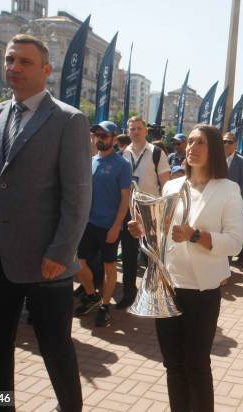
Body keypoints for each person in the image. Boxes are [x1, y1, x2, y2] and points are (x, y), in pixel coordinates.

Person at [0, 34, 91, 411]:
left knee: (54, 346)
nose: (14, 67)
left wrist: (62, 251)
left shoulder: (69, 120)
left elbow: (77, 196)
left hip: (48, 263)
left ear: (46, 70)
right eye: (10, 60)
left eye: (25, 62)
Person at [129, 124, 243, 411]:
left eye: (200, 143)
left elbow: (234, 243)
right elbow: (161, 233)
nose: (191, 147)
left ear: (214, 148)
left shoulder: (229, 189)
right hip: (168, 285)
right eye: (190, 142)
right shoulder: (171, 186)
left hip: (202, 290)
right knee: (172, 363)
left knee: (196, 364)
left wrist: (195, 235)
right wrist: (143, 228)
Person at [75, 121, 132, 326]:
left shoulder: (122, 165)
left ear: (114, 139)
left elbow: (125, 199)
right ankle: (91, 295)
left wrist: (117, 226)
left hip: (109, 225)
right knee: (77, 262)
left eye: (104, 135)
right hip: (88, 224)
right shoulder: (90, 162)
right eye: (97, 135)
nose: (99, 138)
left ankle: (105, 306)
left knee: (109, 266)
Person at [118, 116, 170, 308]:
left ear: (145, 131)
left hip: (151, 211)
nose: (136, 132)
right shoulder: (123, 153)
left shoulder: (156, 153)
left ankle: (153, 294)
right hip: (129, 211)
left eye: (139, 128)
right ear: (128, 131)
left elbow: (166, 184)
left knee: (151, 256)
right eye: (132, 129)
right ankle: (129, 293)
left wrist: (165, 213)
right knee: (129, 256)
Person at [223, 132, 243, 265]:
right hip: (214, 204)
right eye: (223, 141)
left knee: (228, 235)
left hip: (232, 205)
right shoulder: (214, 160)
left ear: (235, 144)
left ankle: (226, 268)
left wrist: (229, 194)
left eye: (229, 142)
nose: (226, 144)